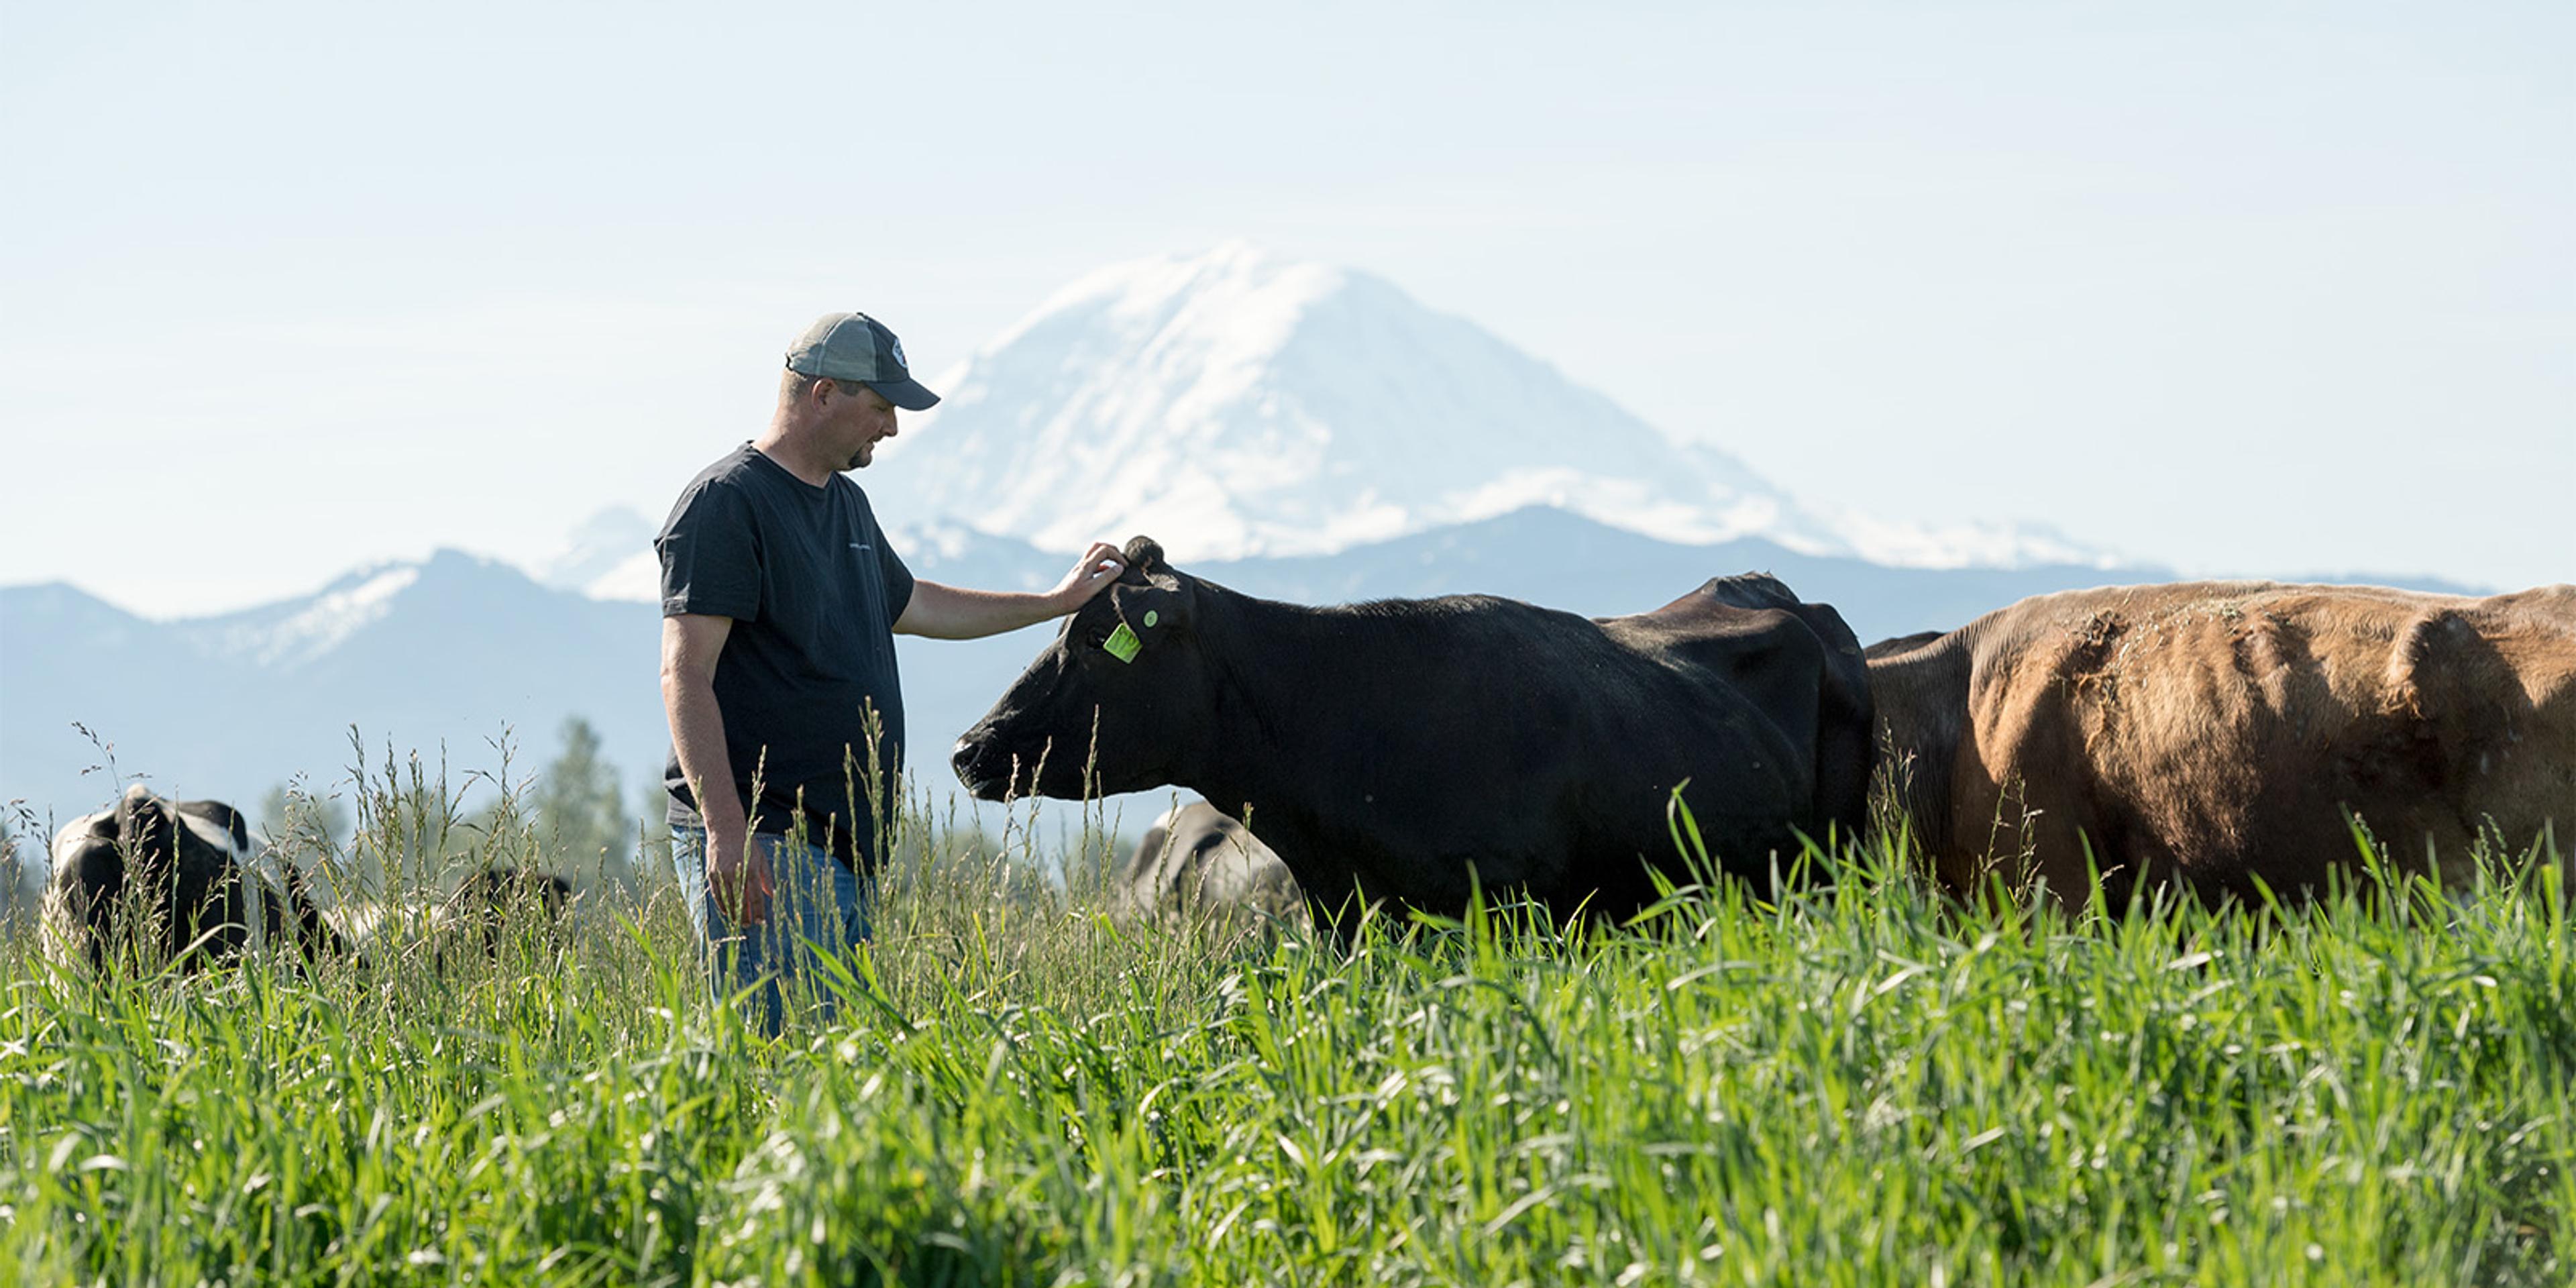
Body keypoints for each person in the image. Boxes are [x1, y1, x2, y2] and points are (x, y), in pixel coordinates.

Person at [656, 311, 1124, 1033]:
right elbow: (684, 674)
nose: (892, 428)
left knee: (835, 1072)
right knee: (787, 1067)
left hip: (841, 846)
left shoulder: (845, 504)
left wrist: (1055, 603)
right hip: (769, 839)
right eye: (880, 407)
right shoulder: (727, 503)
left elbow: (917, 605)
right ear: (821, 395)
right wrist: (727, 830)